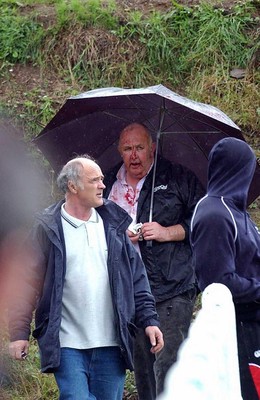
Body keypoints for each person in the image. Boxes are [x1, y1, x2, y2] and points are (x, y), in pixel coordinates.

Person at [8, 155, 164, 400]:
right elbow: (25, 283)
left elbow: (136, 279)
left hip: (112, 344)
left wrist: (150, 320)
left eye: (102, 179)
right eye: (95, 180)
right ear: (73, 186)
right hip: (67, 344)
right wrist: (19, 334)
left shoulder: (113, 224)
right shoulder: (48, 227)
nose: (103, 185)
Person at [103, 122, 205, 398]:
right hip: (130, 289)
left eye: (139, 147)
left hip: (172, 285)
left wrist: (165, 232)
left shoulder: (178, 177)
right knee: (143, 368)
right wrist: (116, 235)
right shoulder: (107, 183)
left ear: (153, 148)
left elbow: (203, 223)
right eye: (127, 148)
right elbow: (94, 227)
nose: (134, 155)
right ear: (119, 151)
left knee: (168, 362)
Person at [190, 137, 260, 400]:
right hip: (237, 328)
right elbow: (217, 283)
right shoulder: (214, 214)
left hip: (252, 324)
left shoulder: (237, 212)